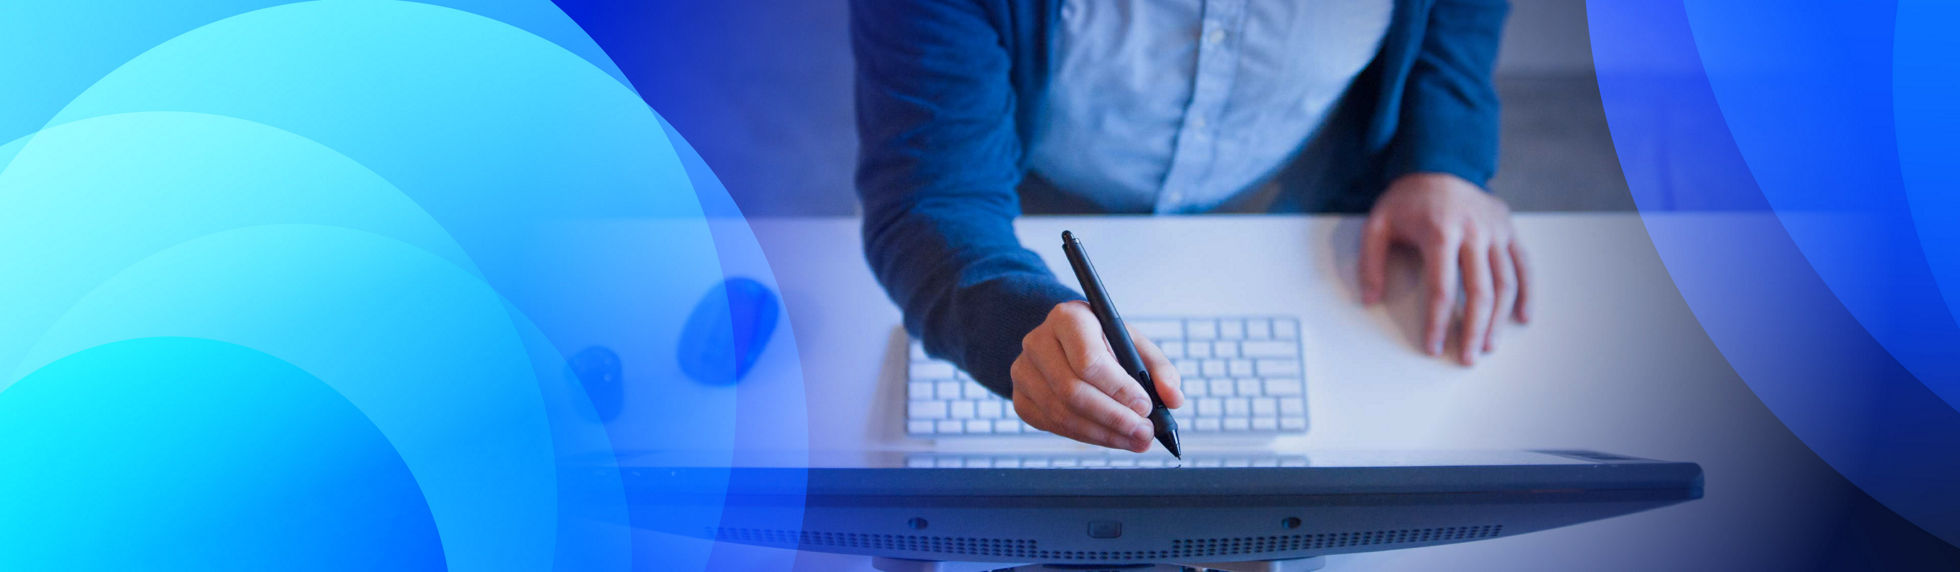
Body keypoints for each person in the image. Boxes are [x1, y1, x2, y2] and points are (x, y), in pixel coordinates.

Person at [852, 0, 1530, 452]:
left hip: (1294, 197)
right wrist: (1020, 322)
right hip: (1034, 194)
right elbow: (930, 194)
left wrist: (1444, 155)